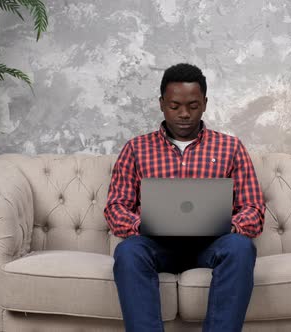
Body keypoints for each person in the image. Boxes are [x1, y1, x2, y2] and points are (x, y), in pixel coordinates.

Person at [104, 63, 265, 332]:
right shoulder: (136, 148)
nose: (184, 114)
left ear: (204, 103)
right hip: (157, 246)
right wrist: (140, 225)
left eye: (192, 105)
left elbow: (254, 209)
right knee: (128, 251)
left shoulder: (231, 147)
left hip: (211, 245)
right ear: (161, 104)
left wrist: (228, 226)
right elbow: (116, 207)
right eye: (174, 105)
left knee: (241, 247)